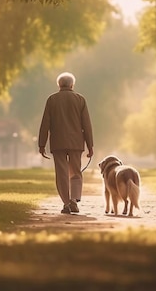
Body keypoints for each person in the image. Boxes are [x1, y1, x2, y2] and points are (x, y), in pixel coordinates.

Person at [38, 72, 94, 214]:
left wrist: (42, 144)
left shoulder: (52, 99)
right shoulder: (80, 99)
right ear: (72, 85)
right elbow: (86, 124)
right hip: (76, 142)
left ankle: (66, 202)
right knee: (75, 171)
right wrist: (90, 145)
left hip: (58, 142)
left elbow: (45, 123)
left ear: (59, 85)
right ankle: (74, 201)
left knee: (62, 173)